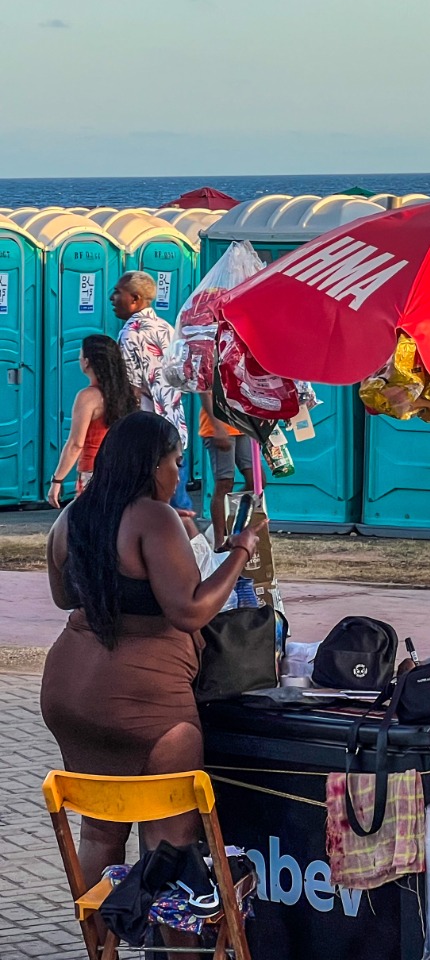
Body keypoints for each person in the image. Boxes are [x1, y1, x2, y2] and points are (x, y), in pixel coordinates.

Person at [40, 412, 263, 879]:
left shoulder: (73, 515)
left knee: (100, 832)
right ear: (151, 464)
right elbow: (190, 611)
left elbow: (65, 598)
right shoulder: (152, 516)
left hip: (70, 696)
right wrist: (240, 551)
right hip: (144, 704)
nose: (179, 474)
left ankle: (99, 944)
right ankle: (174, 948)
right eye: (176, 462)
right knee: (170, 840)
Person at [112, 271, 192, 512]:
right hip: (176, 429)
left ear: (135, 299)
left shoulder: (130, 333)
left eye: (118, 293)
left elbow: (132, 390)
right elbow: (185, 379)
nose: (112, 298)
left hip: (147, 435)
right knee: (179, 502)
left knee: (149, 505)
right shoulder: (167, 328)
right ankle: (193, 548)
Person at [46, 333, 137, 508]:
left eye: (80, 355)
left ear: (87, 362)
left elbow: (75, 444)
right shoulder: (128, 394)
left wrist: (57, 480)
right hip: (123, 472)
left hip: (93, 473)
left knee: (89, 529)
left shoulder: (87, 397)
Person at [201, 389, 253, 551]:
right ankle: (219, 542)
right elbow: (204, 392)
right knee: (224, 483)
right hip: (220, 427)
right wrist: (217, 426)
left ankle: (228, 521)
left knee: (256, 481)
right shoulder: (209, 363)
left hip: (242, 424)